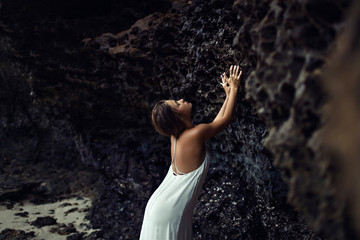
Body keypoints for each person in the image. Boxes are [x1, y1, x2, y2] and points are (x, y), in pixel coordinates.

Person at [139, 65, 242, 240]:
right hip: (169, 211)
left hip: (161, 207)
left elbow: (215, 124)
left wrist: (228, 95)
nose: (181, 99)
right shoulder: (194, 134)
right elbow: (226, 120)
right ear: (177, 116)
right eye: (177, 104)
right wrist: (235, 88)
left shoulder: (178, 136)